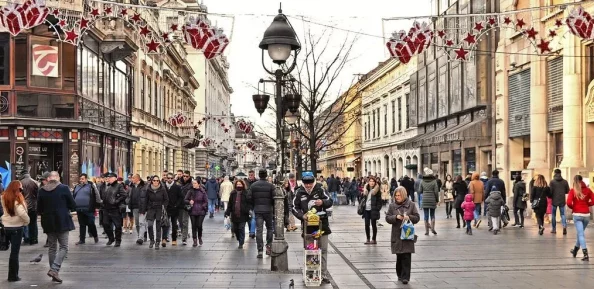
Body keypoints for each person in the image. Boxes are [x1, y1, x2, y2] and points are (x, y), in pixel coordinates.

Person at [292, 171, 333, 284]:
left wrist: (323, 202)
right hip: (308, 226)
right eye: (306, 183)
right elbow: (294, 207)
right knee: (310, 250)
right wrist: (302, 215)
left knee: (323, 250)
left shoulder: (320, 189)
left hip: (322, 225)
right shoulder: (299, 192)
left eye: (310, 183)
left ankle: (323, 274)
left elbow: (330, 201)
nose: (308, 186)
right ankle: (311, 273)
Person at [37, 171, 76, 283]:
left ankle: (54, 272)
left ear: (49, 179)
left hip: (48, 221)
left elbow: (39, 209)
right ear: (57, 178)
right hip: (62, 220)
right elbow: (72, 204)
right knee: (64, 247)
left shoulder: (42, 190)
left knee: (52, 247)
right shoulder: (64, 188)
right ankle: (54, 269)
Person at [385, 187, 420, 285]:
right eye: (396, 196)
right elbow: (387, 218)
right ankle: (400, 274)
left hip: (407, 235)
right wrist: (395, 217)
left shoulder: (411, 205)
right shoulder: (392, 206)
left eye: (399, 195)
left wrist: (409, 217)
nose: (397, 197)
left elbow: (417, 218)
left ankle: (405, 277)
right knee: (399, 256)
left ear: (403, 195)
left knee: (406, 256)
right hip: (397, 235)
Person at [1, 180, 31, 282]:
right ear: (17, 188)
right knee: (14, 253)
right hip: (17, 227)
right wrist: (27, 221)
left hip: (6, 226)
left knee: (11, 252)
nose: (21, 190)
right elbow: (21, 213)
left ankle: (12, 275)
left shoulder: (3, 197)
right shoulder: (17, 200)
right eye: (20, 188)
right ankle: (13, 276)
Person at [567, 175, 594, 261]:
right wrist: (587, 205)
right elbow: (593, 200)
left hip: (577, 215)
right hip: (586, 215)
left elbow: (568, 202)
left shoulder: (573, 190)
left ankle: (585, 254)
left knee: (581, 234)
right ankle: (575, 250)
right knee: (580, 233)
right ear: (582, 180)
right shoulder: (588, 190)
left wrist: (573, 207)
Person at [250, 169, 275, 258]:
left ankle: (260, 250)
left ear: (259, 175)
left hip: (258, 210)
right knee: (270, 229)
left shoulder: (253, 185)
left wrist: (253, 207)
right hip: (268, 210)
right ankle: (269, 247)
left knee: (259, 230)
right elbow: (274, 199)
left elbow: (250, 198)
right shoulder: (271, 186)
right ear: (266, 175)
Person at [72, 174, 102, 245]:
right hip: (79, 209)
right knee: (82, 225)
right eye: (80, 179)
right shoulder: (77, 186)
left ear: (86, 179)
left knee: (91, 223)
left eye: (83, 179)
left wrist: (98, 205)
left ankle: (95, 236)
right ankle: (82, 240)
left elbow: (97, 195)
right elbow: (73, 196)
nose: (81, 180)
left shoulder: (91, 186)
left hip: (88, 209)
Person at [101, 172, 128, 247]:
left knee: (117, 226)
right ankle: (111, 238)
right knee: (105, 224)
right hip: (106, 208)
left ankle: (118, 240)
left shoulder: (119, 186)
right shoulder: (107, 186)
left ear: (115, 178)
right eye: (108, 178)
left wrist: (116, 201)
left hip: (115, 209)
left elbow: (124, 195)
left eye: (110, 177)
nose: (108, 179)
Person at [225, 179, 252, 249]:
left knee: (241, 228)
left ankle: (241, 242)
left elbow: (250, 203)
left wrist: (247, 209)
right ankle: (238, 238)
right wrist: (227, 212)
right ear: (235, 185)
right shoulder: (233, 193)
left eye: (240, 184)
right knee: (235, 229)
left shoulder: (246, 193)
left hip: (243, 214)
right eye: (237, 184)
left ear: (243, 185)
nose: (239, 186)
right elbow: (230, 204)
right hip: (234, 214)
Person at [144, 175, 169, 250]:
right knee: (149, 225)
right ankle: (152, 240)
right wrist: (145, 209)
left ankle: (157, 241)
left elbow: (166, 199)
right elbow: (146, 200)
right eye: (154, 180)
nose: (156, 182)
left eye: (157, 180)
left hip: (159, 209)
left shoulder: (162, 189)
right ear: (152, 181)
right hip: (151, 209)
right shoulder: (148, 189)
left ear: (159, 181)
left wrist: (164, 207)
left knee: (158, 226)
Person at [185, 178, 208, 247]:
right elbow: (185, 199)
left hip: (201, 211)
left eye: (195, 183)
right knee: (194, 226)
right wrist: (189, 201)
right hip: (192, 211)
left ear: (198, 184)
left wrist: (203, 206)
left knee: (199, 225)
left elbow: (206, 201)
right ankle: (194, 240)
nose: (193, 184)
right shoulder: (190, 191)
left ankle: (200, 237)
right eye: (193, 183)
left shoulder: (202, 191)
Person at [163, 173, 184, 246]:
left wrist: (176, 205)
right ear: (166, 178)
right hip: (166, 208)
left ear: (173, 179)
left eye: (171, 178)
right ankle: (164, 238)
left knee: (174, 224)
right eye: (168, 178)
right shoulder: (163, 186)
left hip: (174, 208)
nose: (169, 179)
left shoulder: (177, 187)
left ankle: (174, 239)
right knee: (165, 224)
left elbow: (181, 197)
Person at [19, 171, 38, 245]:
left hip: (24, 205)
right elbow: (37, 194)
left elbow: (19, 195)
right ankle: (34, 239)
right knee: (33, 223)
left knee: (25, 222)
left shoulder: (21, 182)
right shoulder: (35, 182)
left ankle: (27, 238)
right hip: (34, 206)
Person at [127, 174, 147, 244]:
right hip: (134, 207)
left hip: (142, 207)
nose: (132, 179)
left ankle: (140, 238)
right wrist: (129, 205)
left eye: (133, 178)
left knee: (141, 222)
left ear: (138, 179)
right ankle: (140, 235)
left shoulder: (144, 186)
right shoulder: (132, 186)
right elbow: (129, 196)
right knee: (137, 223)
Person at [549, 169, 570, 235]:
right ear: (560, 173)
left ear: (555, 173)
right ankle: (564, 226)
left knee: (553, 215)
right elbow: (567, 191)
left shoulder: (552, 182)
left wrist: (550, 196)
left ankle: (554, 229)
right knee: (563, 214)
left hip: (554, 200)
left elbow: (550, 192)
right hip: (562, 200)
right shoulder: (565, 182)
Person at [361, 176, 381, 244]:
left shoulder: (377, 190)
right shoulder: (366, 189)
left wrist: (377, 208)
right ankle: (368, 238)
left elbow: (379, 201)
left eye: (373, 181)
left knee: (373, 224)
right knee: (366, 224)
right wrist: (363, 193)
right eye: (370, 181)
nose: (371, 183)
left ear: (375, 182)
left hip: (373, 209)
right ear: (368, 182)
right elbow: (363, 198)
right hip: (366, 209)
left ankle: (374, 239)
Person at [420, 168, 440, 235]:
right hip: (432, 199)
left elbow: (420, 191)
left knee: (426, 216)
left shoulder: (422, 181)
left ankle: (426, 231)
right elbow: (436, 192)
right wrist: (437, 200)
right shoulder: (434, 181)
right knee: (432, 215)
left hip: (425, 199)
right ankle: (432, 228)